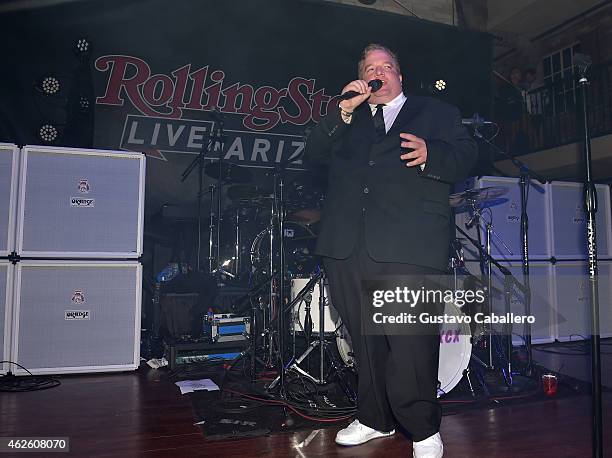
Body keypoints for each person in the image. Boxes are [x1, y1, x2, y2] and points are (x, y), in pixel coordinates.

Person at [305, 43, 477, 457]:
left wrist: (432, 154)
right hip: (346, 242)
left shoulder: (435, 111)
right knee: (365, 340)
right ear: (362, 79)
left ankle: (422, 429)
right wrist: (343, 110)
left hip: (409, 241)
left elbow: (468, 153)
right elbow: (313, 155)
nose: (378, 72)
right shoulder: (347, 120)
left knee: (411, 340)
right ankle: (374, 418)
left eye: (386, 66)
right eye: (370, 68)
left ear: (400, 76)